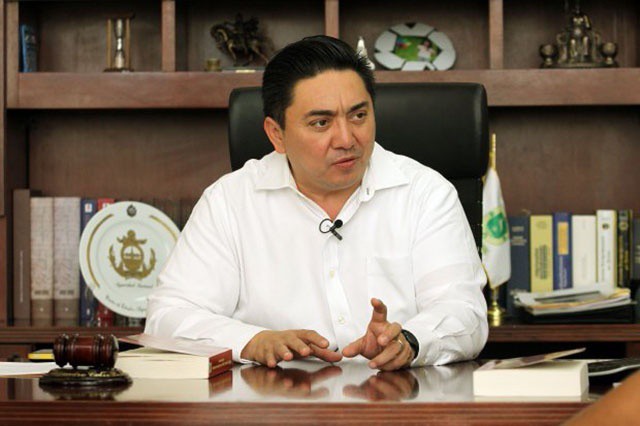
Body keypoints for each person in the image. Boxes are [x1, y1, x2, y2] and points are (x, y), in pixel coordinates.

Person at [145, 35, 488, 371]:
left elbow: (464, 313)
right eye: (321, 123)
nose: (346, 139)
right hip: (272, 398)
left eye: (358, 116)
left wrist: (409, 342)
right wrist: (252, 341)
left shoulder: (426, 193)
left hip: (399, 395)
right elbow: (167, 316)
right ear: (276, 134)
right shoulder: (230, 202)